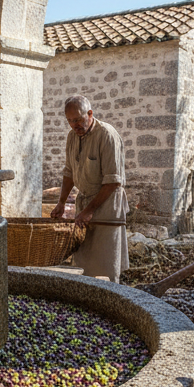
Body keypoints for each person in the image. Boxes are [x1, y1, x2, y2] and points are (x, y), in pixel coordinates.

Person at [49, 95, 129, 283]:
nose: (74, 125)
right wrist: (61, 202)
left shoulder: (107, 135)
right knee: (83, 261)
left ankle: (113, 298)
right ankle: (89, 296)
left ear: (90, 114)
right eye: (69, 121)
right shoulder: (72, 137)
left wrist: (89, 211)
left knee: (107, 262)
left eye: (77, 119)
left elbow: (113, 181)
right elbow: (69, 172)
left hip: (108, 204)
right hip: (85, 202)